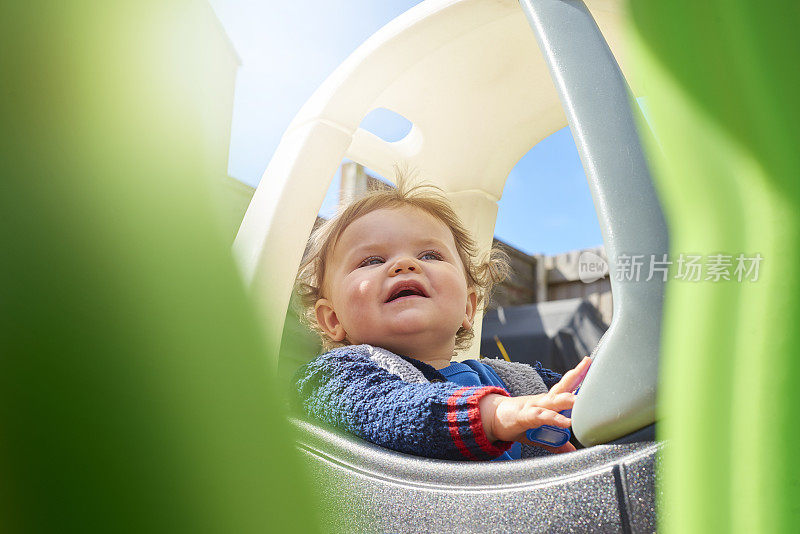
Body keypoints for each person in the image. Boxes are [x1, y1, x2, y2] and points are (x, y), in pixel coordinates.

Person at [293, 178, 591, 461]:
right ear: (332, 319)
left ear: (468, 307)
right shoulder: (333, 378)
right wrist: (494, 414)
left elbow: (587, 397)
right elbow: (392, 408)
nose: (404, 264)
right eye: (372, 261)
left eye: (430, 255)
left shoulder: (513, 382)